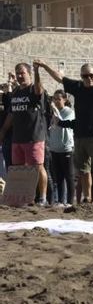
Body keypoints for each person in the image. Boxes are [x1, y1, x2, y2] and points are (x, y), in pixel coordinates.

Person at [37, 60, 93, 208]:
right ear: (81, 76)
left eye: (91, 75)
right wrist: (45, 65)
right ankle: (87, 199)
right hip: (79, 137)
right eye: (85, 76)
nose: (89, 78)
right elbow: (59, 78)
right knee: (84, 170)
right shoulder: (78, 87)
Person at [0, 62, 48, 205]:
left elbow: (39, 89)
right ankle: (24, 198)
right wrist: (3, 131)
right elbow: (11, 114)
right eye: (18, 73)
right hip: (17, 138)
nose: (20, 76)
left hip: (34, 137)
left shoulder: (34, 89)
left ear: (29, 74)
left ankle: (43, 198)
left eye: (22, 73)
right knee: (19, 169)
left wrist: (37, 71)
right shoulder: (15, 92)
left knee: (38, 167)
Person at [47, 90, 74, 206]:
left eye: (59, 99)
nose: (56, 101)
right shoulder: (54, 113)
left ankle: (70, 202)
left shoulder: (68, 111)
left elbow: (61, 122)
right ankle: (60, 201)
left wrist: (54, 109)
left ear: (64, 99)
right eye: (54, 99)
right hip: (54, 149)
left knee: (69, 176)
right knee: (58, 177)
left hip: (65, 148)